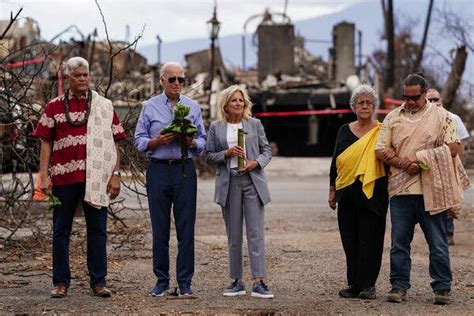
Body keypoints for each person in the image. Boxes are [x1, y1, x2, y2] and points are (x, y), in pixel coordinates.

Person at [34, 56, 126, 298]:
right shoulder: (54, 106)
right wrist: (44, 175)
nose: (83, 79)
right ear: (67, 78)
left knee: (98, 230)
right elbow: (46, 142)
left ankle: (99, 282)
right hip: (63, 178)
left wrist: (115, 175)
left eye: (85, 75)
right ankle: (61, 283)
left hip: (96, 177)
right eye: (77, 75)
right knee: (60, 230)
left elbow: (115, 142)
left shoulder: (103, 105)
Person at [375, 74, 461, 305]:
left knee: (438, 243)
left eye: (415, 97)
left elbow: (453, 147)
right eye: (406, 97)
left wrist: (423, 158)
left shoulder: (441, 116)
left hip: (432, 189)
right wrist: (405, 164)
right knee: (399, 244)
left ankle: (442, 288)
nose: (410, 101)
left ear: (425, 93)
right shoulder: (393, 117)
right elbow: (380, 149)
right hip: (401, 192)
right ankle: (399, 286)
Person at [134, 62, 206, 297]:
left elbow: (203, 142)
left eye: (181, 79)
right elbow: (138, 141)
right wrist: (156, 142)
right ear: (162, 81)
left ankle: (185, 283)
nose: (177, 84)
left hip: (184, 170)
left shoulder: (193, 107)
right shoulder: (149, 107)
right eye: (172, 79)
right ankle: (161, 281)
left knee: (186, 229)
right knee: (160, 229)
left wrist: (192, 143)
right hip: (158, 170)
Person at [206, 85, 273, 299]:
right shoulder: (216, 127)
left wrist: (256, 163)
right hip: (229, 183)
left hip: (252, 182)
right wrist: (226, 153)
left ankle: (259, 281)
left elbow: (266, 151)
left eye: (241, 100)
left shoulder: (255, 124)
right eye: (234, 100)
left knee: (255, 233)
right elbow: (208, 156)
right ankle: (236, 281)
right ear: (225, 104)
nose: (238, 103)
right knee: (233, 235)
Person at [328, 85, 388, 300]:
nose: (364, 106)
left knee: (370, 239)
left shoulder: (382, 131)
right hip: (346, 194)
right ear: (353, 107)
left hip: (374, 194)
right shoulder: (344, 130)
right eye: (360, 103)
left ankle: (368, 285)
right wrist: (332, 189)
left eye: (368, 103)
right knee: (350, 239)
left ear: (374, 107)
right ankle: (353, 283)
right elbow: (336, 161)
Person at [426, 88, 470, 246]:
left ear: (441, 100)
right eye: (429, 100)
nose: (433, 103)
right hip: (429, 165)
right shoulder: (422, 120)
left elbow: (461, 144)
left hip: (450, 163)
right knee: (435, 199)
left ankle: (448, 233)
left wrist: (458, 165)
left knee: (450, 198)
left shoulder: (453, 118)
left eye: (435, 99)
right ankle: (435, 234)